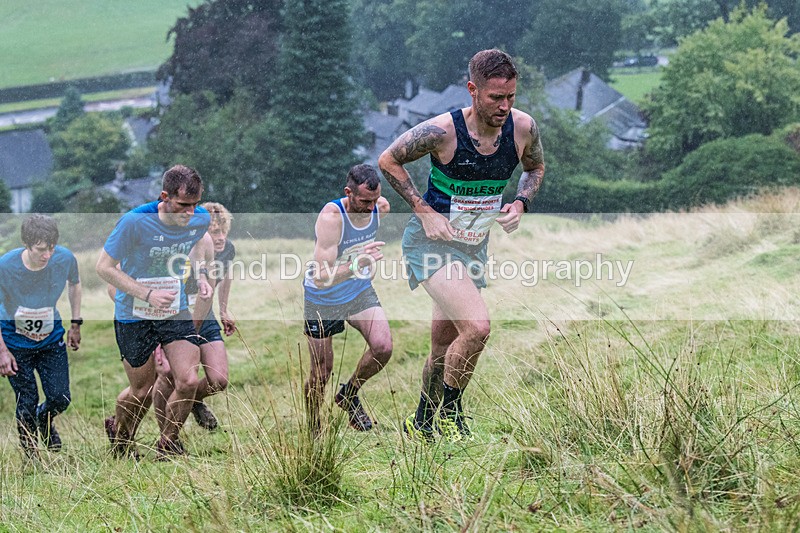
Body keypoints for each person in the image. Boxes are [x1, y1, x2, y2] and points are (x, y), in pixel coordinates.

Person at [378, 49, 545, 443]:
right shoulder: (442, 131)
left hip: (472, 247)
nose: (504, 106)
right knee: (477, 328)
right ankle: (452, 415)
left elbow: (535, 166)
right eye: (495, 97)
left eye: (511, 97)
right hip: (431, 244)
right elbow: (388, 160)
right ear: (473, 90)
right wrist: (422, 210)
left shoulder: (523, 128)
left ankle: (421, 422)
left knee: (443, 346)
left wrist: (521, 202)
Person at [96, 165, 211, 459]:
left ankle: (167, 444)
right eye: (183, 205)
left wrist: (200, 275)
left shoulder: (200, 218)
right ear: (164, 196)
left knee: (188, 381)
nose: (190, 212)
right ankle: (121, 438)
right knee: (142, 391)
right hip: (133, 314)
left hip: (174, 309)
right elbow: (104, 268)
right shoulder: (134, 222)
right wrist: (147, 294)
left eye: (195, 204)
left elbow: (197, 242)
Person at [303, 164, 392, 432]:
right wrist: (357, 264)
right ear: (348, 192)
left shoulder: (381, 208)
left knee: (383, 347)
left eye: (374, 200)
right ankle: (314, 427)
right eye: (364, 201)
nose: (370, 207)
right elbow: (321, 277)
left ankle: (348, 394)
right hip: (322, 297)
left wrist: (362, 264)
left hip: (357, 290)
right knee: (321, 373)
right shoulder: (332, 218)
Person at [0, 215, 82, 458]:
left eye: (51, 248)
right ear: (26, 244)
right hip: (15, 343)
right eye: (41, 250)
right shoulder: (5, 266)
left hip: (50, 340)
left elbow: (75, 284)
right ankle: (32, 457)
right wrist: (2, 351)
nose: (47, 255)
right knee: (27, 399)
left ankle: (44, 418)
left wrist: (75, 323)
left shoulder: (65, 258)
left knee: (61, 397)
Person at [153, 202, 236, 433]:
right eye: (214, 232)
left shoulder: (227, 249)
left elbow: (226, 275)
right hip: (174, 317)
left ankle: (192, 400)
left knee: (218, 380)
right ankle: (168, 437)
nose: (220, 237)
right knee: (168, 375)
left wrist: (224, 309)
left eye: (223, 231)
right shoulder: (182, 249)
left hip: (204, 314)